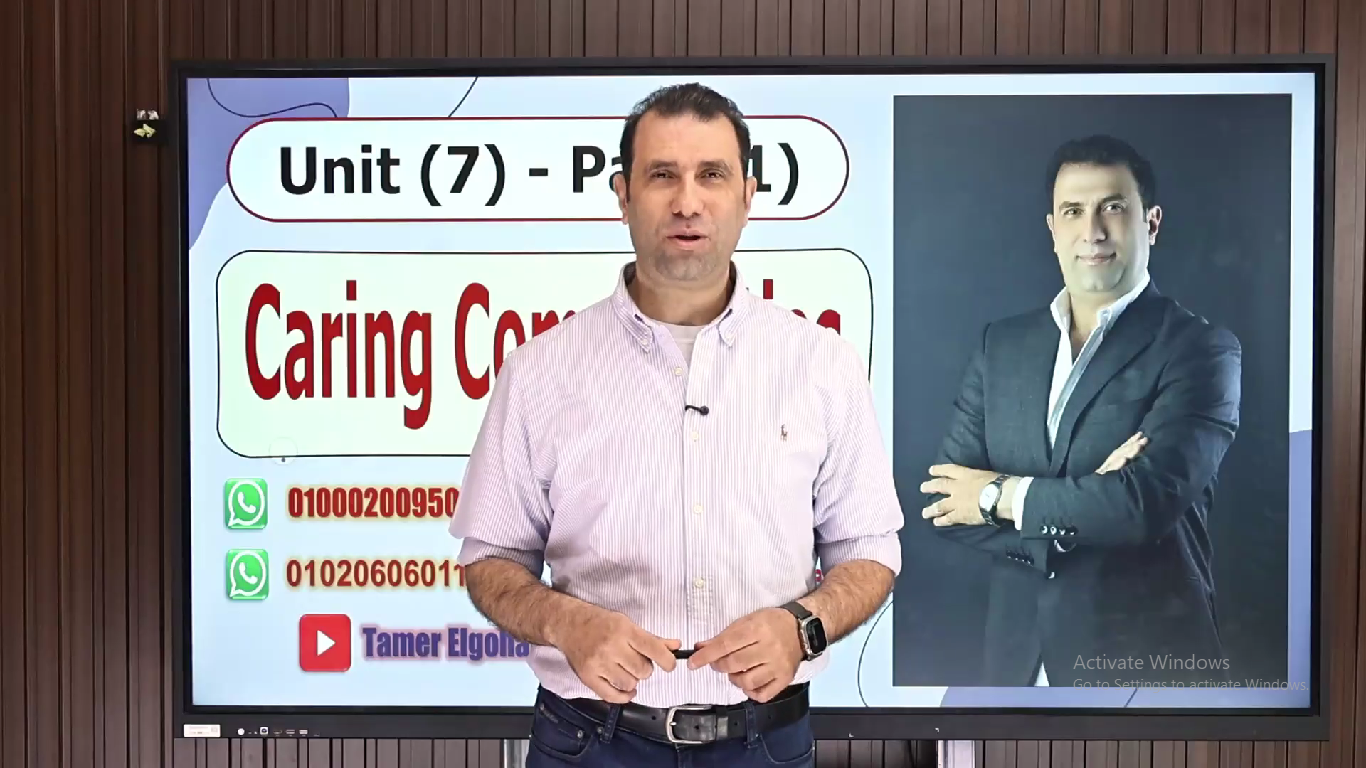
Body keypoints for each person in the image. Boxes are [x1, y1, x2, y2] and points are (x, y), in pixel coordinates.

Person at [449, 82, 903, 767]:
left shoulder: (821, 364)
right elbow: (490, 561)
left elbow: (870, 551)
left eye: (711, 175)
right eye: (663, 175)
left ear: (748, 196)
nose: (688, 202)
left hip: (765, 745)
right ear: (623, 195)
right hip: (587, 742)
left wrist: (803, 629)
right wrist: (564, 623)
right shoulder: (541, 370)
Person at [919, 134, 1241, 688]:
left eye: (1112, 208)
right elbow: (946, 503)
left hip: (1147, 675)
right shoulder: (1002, 346)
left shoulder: (1201, 350)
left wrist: (995, 498)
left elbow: (1142, 505)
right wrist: (1089, 503)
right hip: (1016, 672)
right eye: (1073, 211)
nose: (1092, 231)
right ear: (1052, 229)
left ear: (1151, 223)